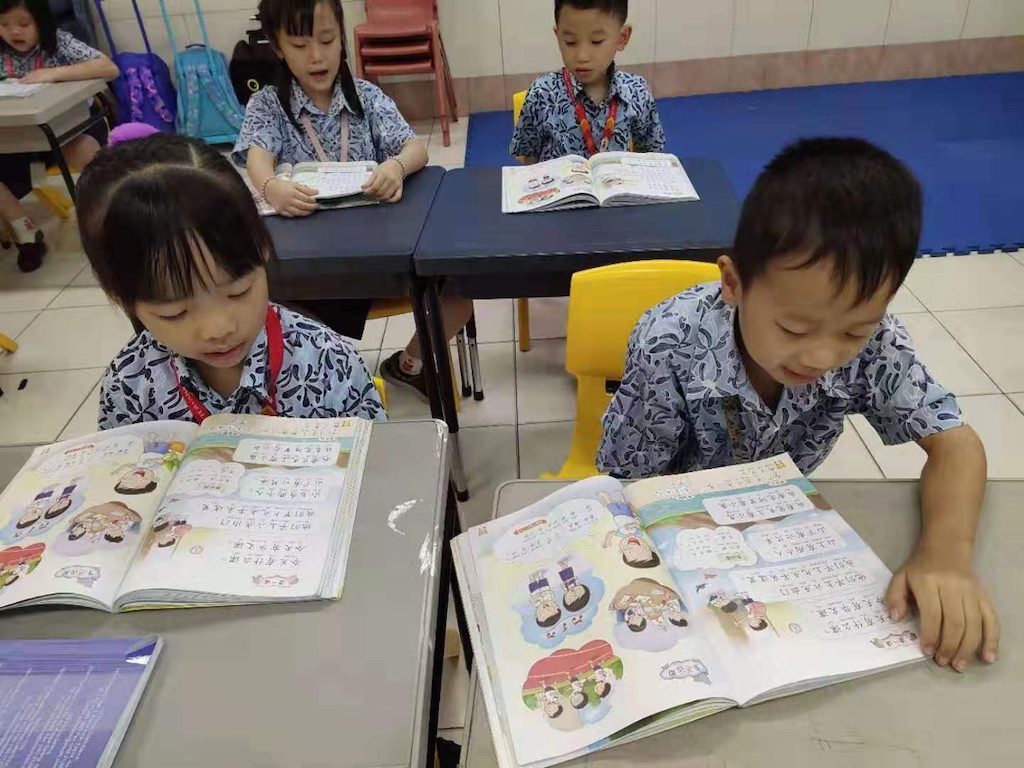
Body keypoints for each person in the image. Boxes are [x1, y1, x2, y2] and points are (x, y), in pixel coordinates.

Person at [599, 137, 1000, 673]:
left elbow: (957, 445)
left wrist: (945, 556)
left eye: (853, 330)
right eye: (793, 328)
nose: (822, 356)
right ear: (734, 283)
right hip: (680, 528)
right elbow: (626, 489)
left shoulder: (877, 344)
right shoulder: (667, 344)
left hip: (780, 533)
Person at [234, 0, 473, 400]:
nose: (317, 56)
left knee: (459, 293)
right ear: (277, 47)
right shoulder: (269, 105)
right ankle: (336, 371)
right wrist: (271, 186)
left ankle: (409, 364)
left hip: (378, 257)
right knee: (266, 302)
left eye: (327, 40)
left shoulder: (366, 97)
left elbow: (415, 148)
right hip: (311, 268)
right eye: (299, 45)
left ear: (341, 38)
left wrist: (396, 166)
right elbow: (257, 158)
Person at [75, 134, 385, 429]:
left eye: (238, 292)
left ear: (262, 251)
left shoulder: (326, 361)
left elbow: (377, 453)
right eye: (175, 313)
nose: (219, 329)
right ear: (120, 297)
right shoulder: (129, 386)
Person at [0, 0, 118, 271]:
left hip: (69, 127)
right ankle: (27, 235)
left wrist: (53, 73)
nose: (14, 32)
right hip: (18, 135)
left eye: (23, 24)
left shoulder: (59, 41)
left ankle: (112, 219)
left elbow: (108, 67)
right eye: (4, 25)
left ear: (40, 22)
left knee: (85, 150)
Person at [510, 0, 664, 164]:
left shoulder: (637, 91)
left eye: (596, 41)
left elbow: (650, 153)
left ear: (622, 38)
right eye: (570, 42)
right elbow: (527, 155)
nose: (582, 56)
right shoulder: (542, 94)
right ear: (558, 37)